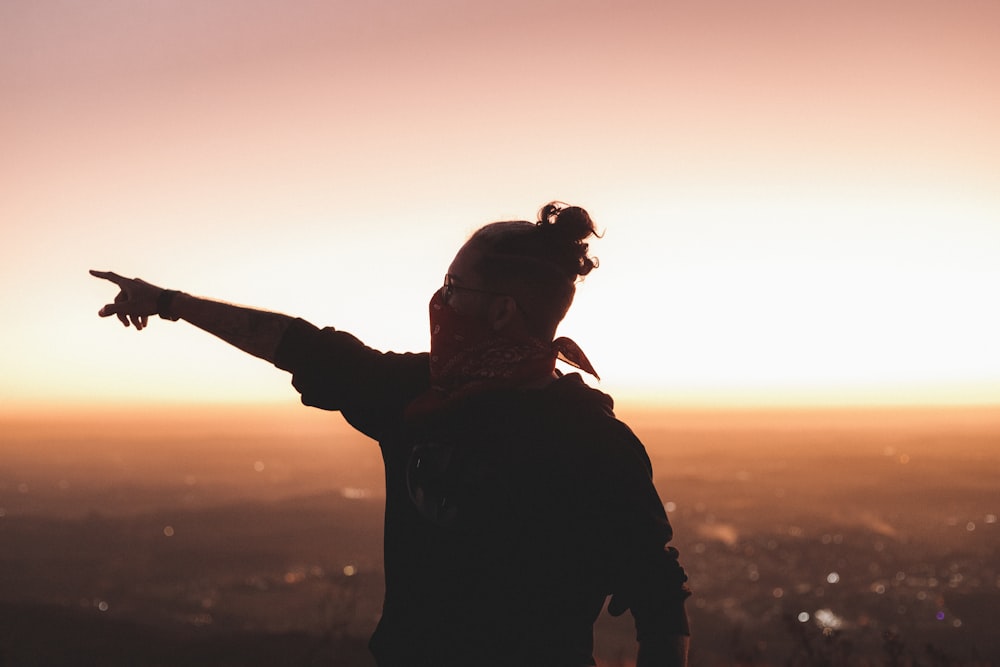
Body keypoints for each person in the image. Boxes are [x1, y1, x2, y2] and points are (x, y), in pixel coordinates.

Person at [91, 202, 691, 667]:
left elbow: (659, 600)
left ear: (503, 311)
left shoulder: (590, 442)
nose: (440, 302)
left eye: (455, 289)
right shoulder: (417, 394)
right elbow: (297, 343)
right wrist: (168, 302)